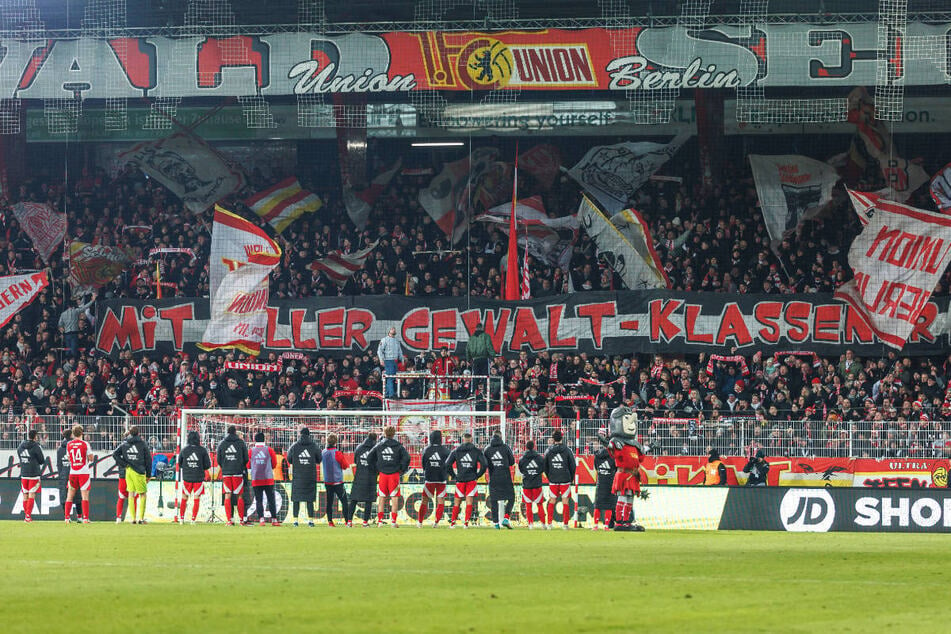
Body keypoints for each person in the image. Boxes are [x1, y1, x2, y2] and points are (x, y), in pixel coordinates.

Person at [601, 406, 649, 532]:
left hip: (632, 475)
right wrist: (607, 443)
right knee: (622, 497)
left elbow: (641, 458)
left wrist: (650, 448)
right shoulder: (617, 442)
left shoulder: (635, 444)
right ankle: (619, 521)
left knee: (630, 499)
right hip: (623, 474)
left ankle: (627, 522)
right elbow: (613, 452)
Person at [368, 425, 410, 527]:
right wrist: (401, 469)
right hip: (394, 475)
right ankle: (393, 521)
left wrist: (376, 468)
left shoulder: (379, 445)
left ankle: (379, 521)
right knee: (394, 497)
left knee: (381, 497)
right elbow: (407, 458)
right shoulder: (398, 445)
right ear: (394, 434)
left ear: (384, 433)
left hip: (383, 474)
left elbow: (369, 457)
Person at [446, 432, 487, 529]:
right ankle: (466, 524)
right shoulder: (476, 451)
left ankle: (453, 523)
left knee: (457, 502)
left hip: (460, 479)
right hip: (471, 479)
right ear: (471, 439)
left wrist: (454, 476)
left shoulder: (456, 451)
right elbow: (484, 464)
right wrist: (478, 475)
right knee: (469, 502)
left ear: (463, 439)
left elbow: (447, 464)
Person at [112, 426, 152, 525]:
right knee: (142, 494)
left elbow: (115, 454)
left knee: (131, 493)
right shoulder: (142, 444)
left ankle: (133, 519)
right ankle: (141, 519)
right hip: (139, 471)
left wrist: (124, 464)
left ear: (129, 433)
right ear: (138, 433)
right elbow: (148, 460)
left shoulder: (125, 443)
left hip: (128, 471)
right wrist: (148, 474)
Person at [216, 425, 249, 526]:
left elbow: (218, 459)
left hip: (226, 473)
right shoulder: (241, 443)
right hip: (238, 473)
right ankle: (241, 520)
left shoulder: (222, 444)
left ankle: (229, 520)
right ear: (235, 432)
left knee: (227, 495)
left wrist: (225, 466)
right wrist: (240, 466)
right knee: (239, 496)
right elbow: (246, 458)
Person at [544, 430, 576, 530]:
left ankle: (549, 524)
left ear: (553, 439)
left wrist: (550, 476)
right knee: (565, 501)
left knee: (552, 500)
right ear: (562, 438)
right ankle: (565, 525)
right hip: (565, 479)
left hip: (553, 479)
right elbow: (573, 465)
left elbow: (545, 466)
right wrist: (571, 478)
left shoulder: (548, 450)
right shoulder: (567, 450)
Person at [287, 427, 319, 527]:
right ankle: (310, 521)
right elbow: (319, 458)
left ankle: (295, 521)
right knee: (310, 499)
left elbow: (289, 459)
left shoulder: (294, 446)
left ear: (300, 434)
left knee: (296, 499)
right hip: (310, 476)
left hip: (298, 476)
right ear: (309, 435)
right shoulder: (314, 446)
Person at [418, 430, 450, 528]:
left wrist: (427, 471)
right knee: (441, 501)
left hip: (430, 478)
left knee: (424, 500)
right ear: (441, 438)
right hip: (441, 478)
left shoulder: (426, 450)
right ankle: (436, 522)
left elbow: (423, 464)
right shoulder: (446, 450)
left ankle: (420, 522)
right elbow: (448, 464)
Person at [483, 431, 515, 529]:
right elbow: (512, 462)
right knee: (511, 497)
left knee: (494, 500)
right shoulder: (505, 447)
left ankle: (496, 523)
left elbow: (485, 463)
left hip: (493, 477)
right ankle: (506, 518)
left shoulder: (487, 449)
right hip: (505, 476)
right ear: (501, 436)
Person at [177, 430, 211, 524]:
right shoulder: (202, 450)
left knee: (184, 498)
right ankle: (193, 520)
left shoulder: (184, 450)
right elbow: (207, 465)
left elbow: (179, 464)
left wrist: (188, 467)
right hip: (198, 478)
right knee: (196, 499)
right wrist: (199, 466)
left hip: (187, 477)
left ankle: (181, 519)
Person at [248, 432, 280, 526]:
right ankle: (274, 520)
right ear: (264, 439)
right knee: (271, 499)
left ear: (255, 440)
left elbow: (248, 465)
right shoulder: (269, 450)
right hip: (268, 478)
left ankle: (261, 520)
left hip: (256, 479)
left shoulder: (251, 451)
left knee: (259, 500)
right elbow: (274, 464)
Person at [322, 433, 353, 527]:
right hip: (337, 481)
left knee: (329, 502)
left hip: (327, 481)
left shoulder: (323, 452)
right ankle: (347, 521)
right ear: (336, 442)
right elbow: (345, 466)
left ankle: (330, 522)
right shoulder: (337, 453)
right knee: (344, 501)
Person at [64, 425, 93, 524]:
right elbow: (91, 458)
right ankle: (85, 518)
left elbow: (69, 458)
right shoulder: (85, 444)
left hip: (73, 472)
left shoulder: (69, 444)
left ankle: (67, 518)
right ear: (82, 433)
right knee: (84, 496)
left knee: (70, 495)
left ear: (73, 433)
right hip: (83, 472)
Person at [348, 432, 378, 527]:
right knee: (368, 501)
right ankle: (365, 522)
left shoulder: (359, 448)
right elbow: (377, 464)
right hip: (371, 477)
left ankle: (349, 522)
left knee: (354, 499)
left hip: (359, 476)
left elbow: (355, 461)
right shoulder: (376, 449)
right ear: (375, 439)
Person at [17, 430, 45, 523]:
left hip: (24, 473)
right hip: (34, 474)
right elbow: (41, 460)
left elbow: (19, 455)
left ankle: (26, 516)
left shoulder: (21, 445)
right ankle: (28, 516)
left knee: (25, 494)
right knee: (31, 494)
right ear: (35, 436)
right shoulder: (36, 446)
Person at [518, 440, 546, 529]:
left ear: (526, 447)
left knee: (528, 505)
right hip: (537, 483)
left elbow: (521, 469)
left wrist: (528, 473)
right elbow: (543, 468)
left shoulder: (522, 459)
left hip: (527, 484)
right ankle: (543, 524)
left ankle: (530, 524)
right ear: (534, 446)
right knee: (540, 504)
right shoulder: (539, 458)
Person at [56, 428, 81, 522]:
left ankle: (67, 517)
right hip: (75, 472)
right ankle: (79, 517)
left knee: (64, 496)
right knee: (78, 495)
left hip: (64, 475)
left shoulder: (60, 449)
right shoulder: (75, 446)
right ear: (71, 435)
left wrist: (61, 474)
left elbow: (59, 464)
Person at [592, 441, 617, 531]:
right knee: (609, 505)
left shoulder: (597, 455)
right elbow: (616, 468)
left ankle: (595, 525)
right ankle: (606, 526)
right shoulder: (614, 456)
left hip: (600, 482)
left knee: (597, 505)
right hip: (610, 482)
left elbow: (596, 467)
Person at [465, 322, 496, 392]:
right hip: (484, 359)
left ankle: (473, 392)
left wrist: (468, 359)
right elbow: (489, 346)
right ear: (482, 328)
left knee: (475, 377)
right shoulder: (486, 336)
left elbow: (467, 349)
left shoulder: (471, 338)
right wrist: (493, 357)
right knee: (486, 376)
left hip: (475, 360)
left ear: (475, 329)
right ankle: (486, 392)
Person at [377, 327, 404, 399]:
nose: (394, 330)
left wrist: (402, 359)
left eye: (395, 329)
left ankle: (387, 394)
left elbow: (399, 351)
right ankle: (391, 394)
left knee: (392, 377)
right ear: (389, 330)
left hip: (395, 361)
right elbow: (379, 350)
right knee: (390, 377)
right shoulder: (384, 340)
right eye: (392, 329)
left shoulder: (397, 341)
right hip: (388, 360)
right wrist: (381, 359)